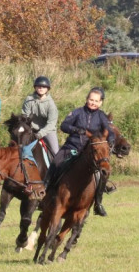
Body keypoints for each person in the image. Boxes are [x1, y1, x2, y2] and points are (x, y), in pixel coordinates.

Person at [50, 87, 116, 216]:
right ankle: (46, 192)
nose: (93, 103)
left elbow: (110, 131)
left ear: (101, 103)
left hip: (91, 152)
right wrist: (75, 130)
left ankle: (98, 203)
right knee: (56, 163)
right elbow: (64, 125)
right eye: (91, 100)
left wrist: (111, 139)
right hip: (73, 146)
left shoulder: (101, 116)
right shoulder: (77, 112)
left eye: (96, 101)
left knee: (104, 172)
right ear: (86, 99)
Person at [21, 75, 59, 156]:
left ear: (47, 89)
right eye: (39, 86)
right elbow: (25, 116)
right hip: (31, 129)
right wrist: (28, 129)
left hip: (48, 130)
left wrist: (40, 134)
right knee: (19, 147)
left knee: (56, 153)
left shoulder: (51, 105)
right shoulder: (29, 99)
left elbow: (51, 124)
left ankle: (58, 167)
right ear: (35, 87)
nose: (41, 88)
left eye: (44, 86)